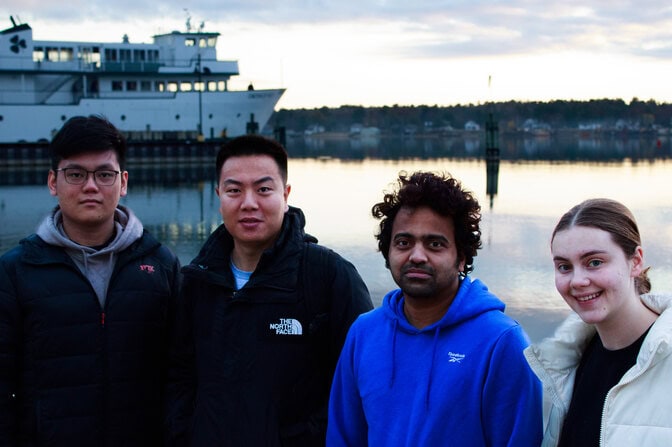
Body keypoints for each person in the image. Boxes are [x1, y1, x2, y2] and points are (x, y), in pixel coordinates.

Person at [166, 134, 373, 446]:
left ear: (286, 194)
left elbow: (363, 384)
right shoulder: (197, 281)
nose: (249, 203)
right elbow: (180, 379)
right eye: (234, 190)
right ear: (219, 194)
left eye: (263, 189)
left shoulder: (328, 275)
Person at [0, 115, 181, 446]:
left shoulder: (161, 264)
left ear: (123, 182)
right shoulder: (15, 271)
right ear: (53, 182)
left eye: (104, 174)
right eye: (75, 174)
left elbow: (180, 375)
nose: (91, 186)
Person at [327, 171, 542, 446]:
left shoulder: (501, 342)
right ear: (387, 252)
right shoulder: (364, 333)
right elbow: (343, 437)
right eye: (404, 243)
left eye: (435, 244)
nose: (417, 256)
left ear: (461, 258)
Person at [524, 198, 672, 446]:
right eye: (564, 266)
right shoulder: (564, 363)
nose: (577, 280)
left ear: (635, 262)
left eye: (594, 262)